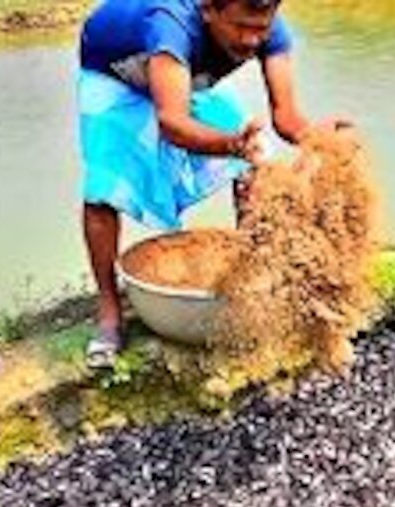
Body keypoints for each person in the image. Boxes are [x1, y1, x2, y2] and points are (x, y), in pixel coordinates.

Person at [77, 0, 342, 367]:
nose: (252, 40)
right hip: (117, 71)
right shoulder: (171, 24)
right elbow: (172, 123)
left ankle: (251, 275)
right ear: (208, 10)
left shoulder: (270, 29)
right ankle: (108, 308)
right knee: (101, 189)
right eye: (240, 27)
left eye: (260, 30)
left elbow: (286, 117)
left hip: (183, 74)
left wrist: (319, 139)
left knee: (256, 161)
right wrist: (230, 144)